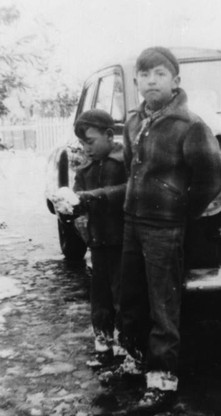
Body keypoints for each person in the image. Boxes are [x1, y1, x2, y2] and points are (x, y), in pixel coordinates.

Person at [120, 46, 221, 411]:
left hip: (165, 228)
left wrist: (181, 210)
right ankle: (134, 360)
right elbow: (127, 168)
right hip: (132, 222)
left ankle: (162, 379)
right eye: (144, 74)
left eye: (160, 74)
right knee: (131, 297)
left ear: (175, 81)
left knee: (163, 305)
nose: (151, 80)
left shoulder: (190, 126)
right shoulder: (134, 123)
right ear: (136, 81)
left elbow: (212, 178)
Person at [72, 109, 127, 363]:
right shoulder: (85, 170)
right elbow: (77, 200)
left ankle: (124, 340)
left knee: (122, 293)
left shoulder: (124, 162)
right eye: (82, 144)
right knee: (99, 294)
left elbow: (129, 190)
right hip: (97, 243)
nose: (86, 149)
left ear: (109, 135)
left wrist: (96, 195)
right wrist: (69, 205)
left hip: (122, 242)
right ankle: (102, 339)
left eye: (90, 142)